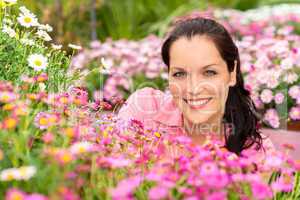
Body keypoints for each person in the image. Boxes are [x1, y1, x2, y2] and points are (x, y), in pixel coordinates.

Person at [117, 17, 275, 158]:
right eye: (179, 74)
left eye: (209, 72)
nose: (193, 89)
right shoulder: (144, 108)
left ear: (231, 73)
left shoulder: (256, 153)